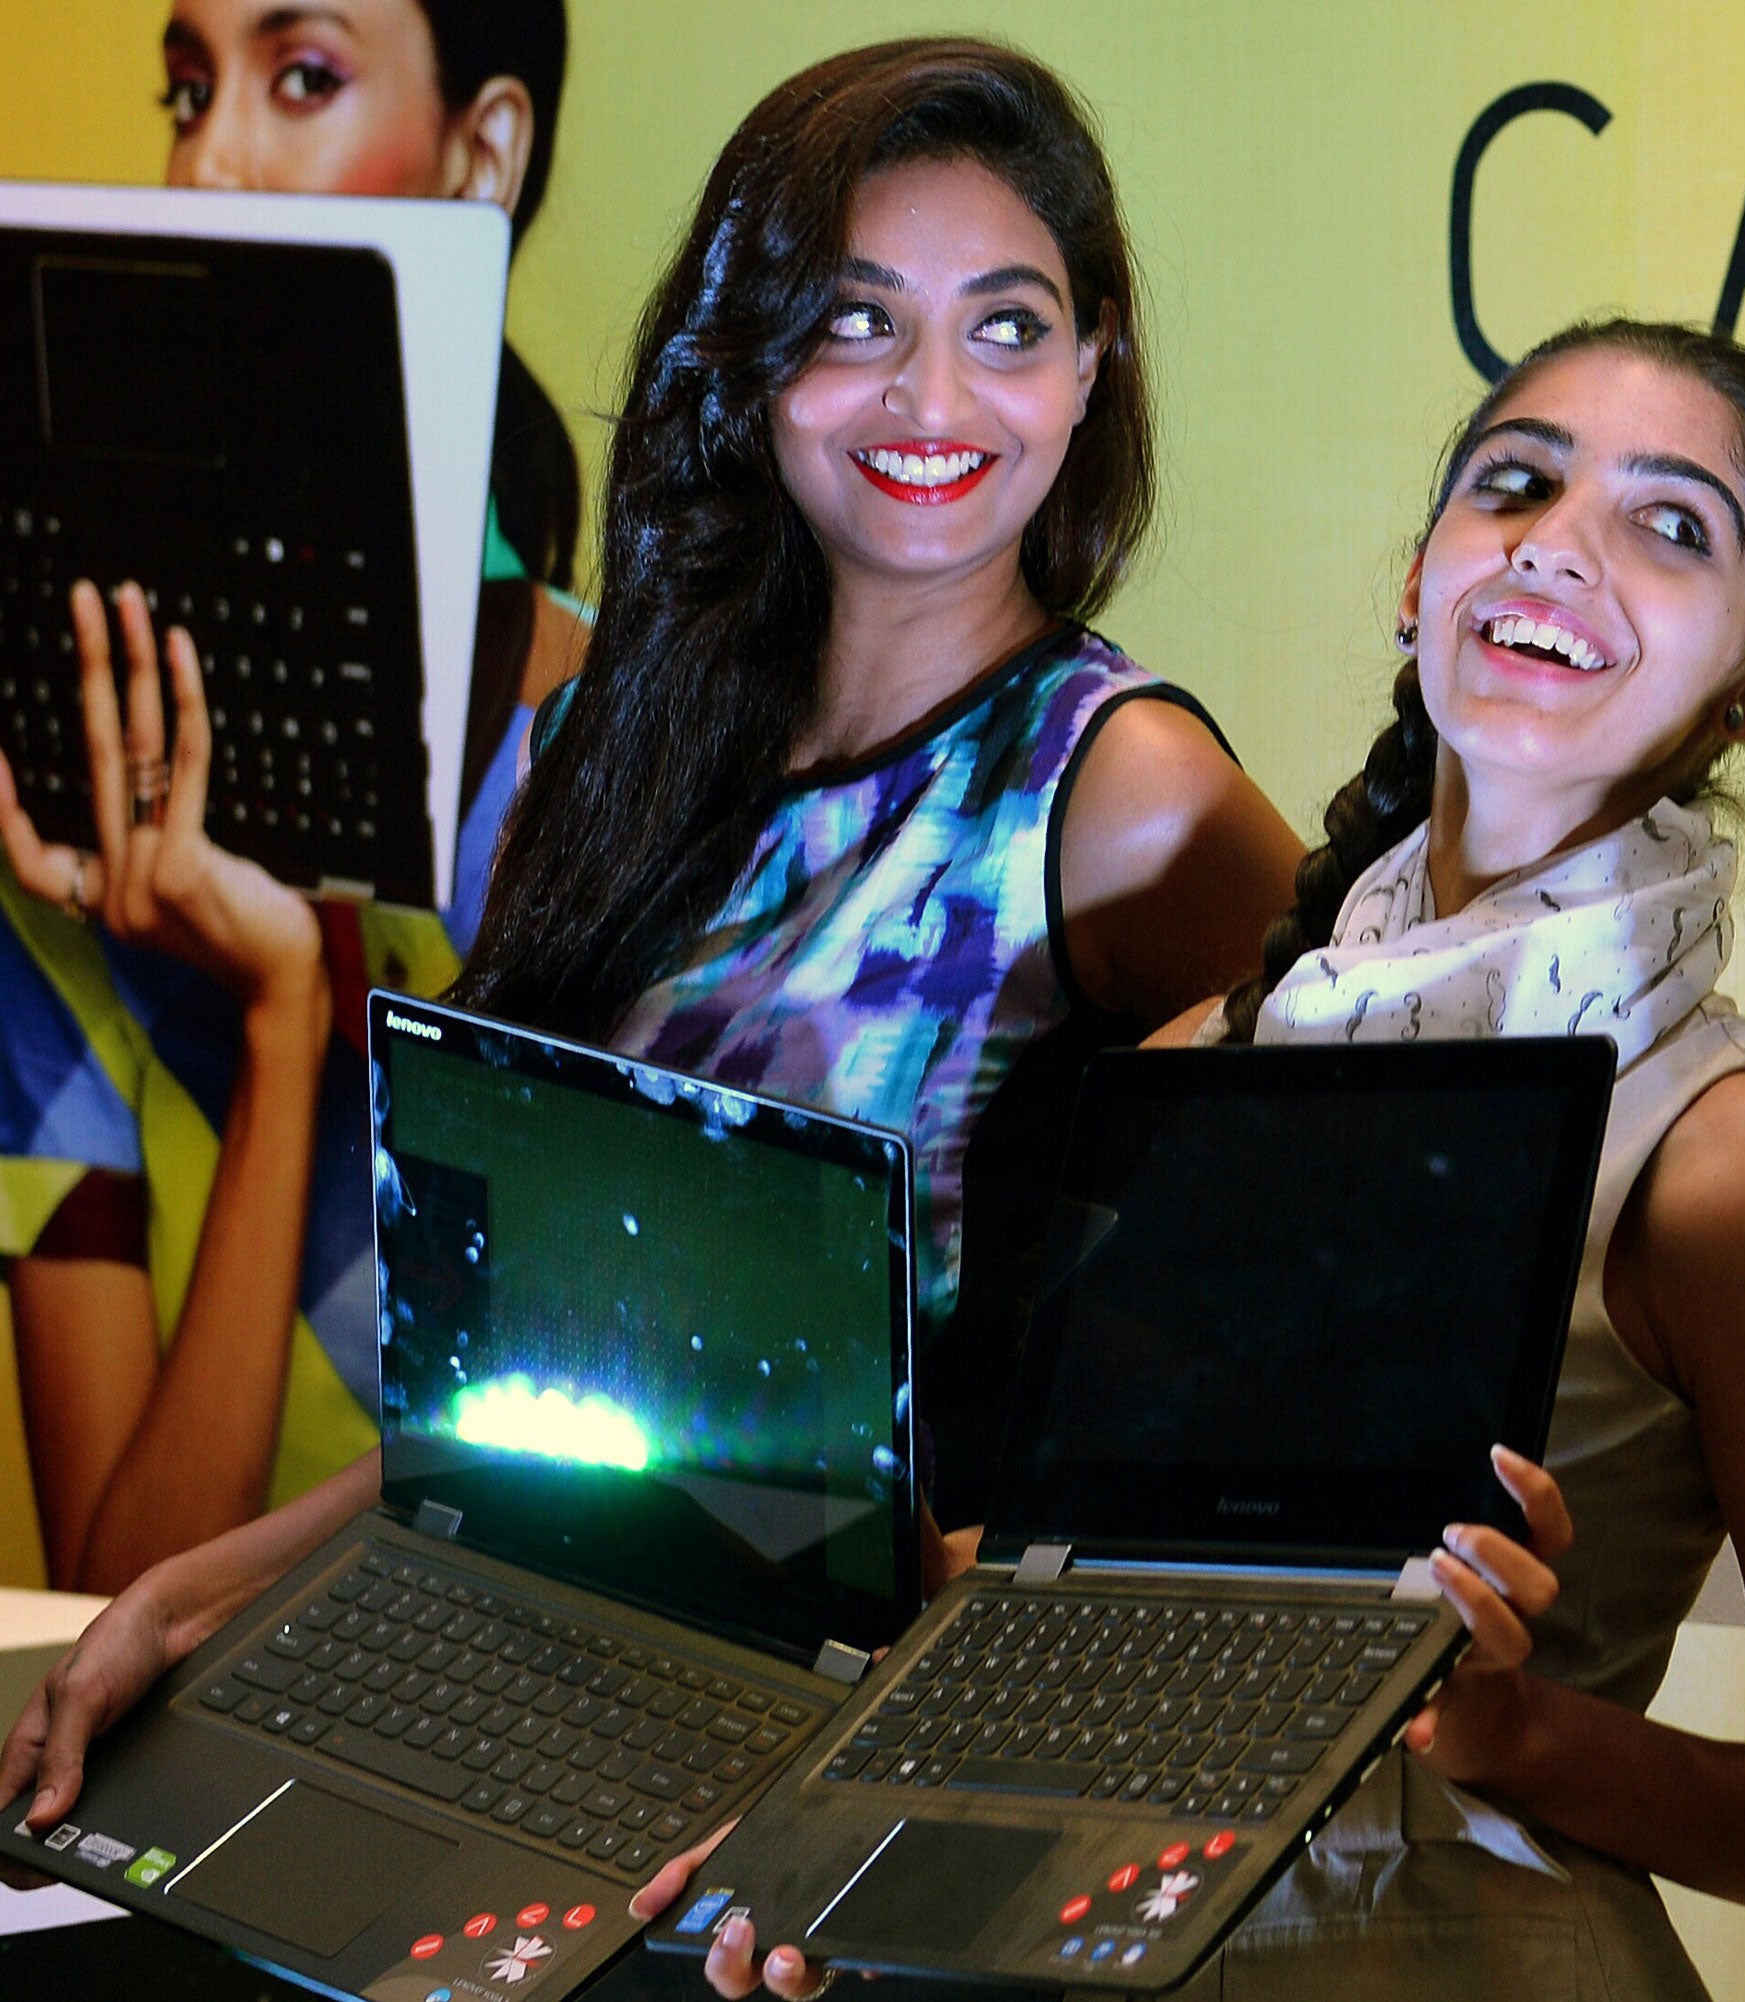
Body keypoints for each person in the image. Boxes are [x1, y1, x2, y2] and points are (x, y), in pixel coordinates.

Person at [1, 33, 1302, 1841]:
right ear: (752, 354)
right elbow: (540, 1406)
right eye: (855, 320)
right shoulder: (620, 735)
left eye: (1007, 325)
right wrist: (196, 1589)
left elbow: (1297, 1326)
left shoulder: (1126, 789)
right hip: (535, 1704)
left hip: (820, 1800)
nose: (935, 394)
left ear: (1092, 371)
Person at [663, 316, 1745, 2001]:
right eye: (1518, 485)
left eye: (1668, 522)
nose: (1558, 541)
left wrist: (1511, 1729)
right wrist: (820, 1823)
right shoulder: (1200, 1060)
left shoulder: (1725, 1168)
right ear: (1418, 582)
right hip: (1089, 1924)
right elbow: (1038, 1589)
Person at [0, 0, 588, 1596]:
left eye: (303, 77)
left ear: (484, 153)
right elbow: (122, 1603)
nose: (211, 161)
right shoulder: (58, 846)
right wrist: (276, 1024)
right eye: (185, 90)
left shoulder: (618, 764)